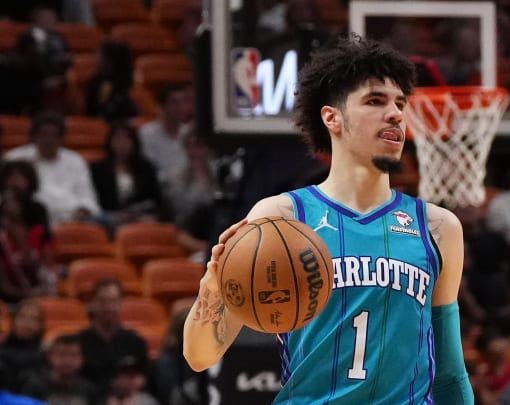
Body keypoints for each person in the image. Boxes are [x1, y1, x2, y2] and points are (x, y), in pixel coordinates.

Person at [183, 35, 473, 404]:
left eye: (400, 103)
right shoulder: (281, 219)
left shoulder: (438, 228)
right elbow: (199, 356)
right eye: (375, 101)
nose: (396, 113)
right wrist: (212, 283)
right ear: (332, 117)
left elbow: (449, 373)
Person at [4, 111, 101, 225]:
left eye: (55, 135)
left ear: (62, 138)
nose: (49, 140)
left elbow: (87, 197)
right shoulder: (16, 158)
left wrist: (81, 213)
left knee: (103, 221)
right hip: (31, 218)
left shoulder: (75, 160)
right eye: (44, 134)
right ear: (34, 136)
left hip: (73, 219)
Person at [78, 279, 149, 395]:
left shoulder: (136, 342)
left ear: (120, 304)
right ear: (92, 304)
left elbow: (145, 378)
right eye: (102, 301)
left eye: (113, 301)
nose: (108, 307)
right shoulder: (79, 342)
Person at [90, 122, 162, 229]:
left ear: (134, 143)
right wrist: (115, 215)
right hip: (109, 218)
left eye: (127, 139)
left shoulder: (146, 168)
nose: (122, 144)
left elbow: (155, 199)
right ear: (110, 142)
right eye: (118, 139)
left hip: (140, 217)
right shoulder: (97, 169)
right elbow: (94, 201)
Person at [21, 333, 100, 405]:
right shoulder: (34, 386)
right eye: (61, 354)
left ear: (82, 359)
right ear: (50, 357)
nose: (67, 360)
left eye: (73, 355)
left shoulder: (89, 389)